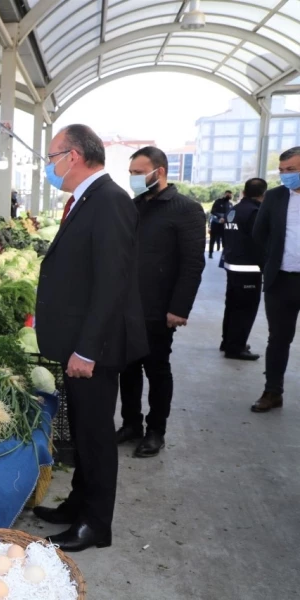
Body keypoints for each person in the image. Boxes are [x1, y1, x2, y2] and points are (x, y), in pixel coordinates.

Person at [31, 124, 148, 552]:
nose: (50, 166)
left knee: (96, 434)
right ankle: (78, 504)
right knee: (81, 430)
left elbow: (112, 283)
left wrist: (87, 348)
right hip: (78, 342)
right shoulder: (86, 200)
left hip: (94, 348)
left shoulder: (110, 201)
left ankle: (96, 525)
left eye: (51, 157)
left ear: (74, 156)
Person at [117, 147, 206, 458]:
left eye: (139, 173)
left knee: (156, 368)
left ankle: (156, 430)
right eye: (131, 173)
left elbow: (193, 263)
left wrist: (179, 308)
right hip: (126, 305)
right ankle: (131, 424)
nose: (134, 179)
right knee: (126, 368)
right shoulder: (134, 206)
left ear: (160, 172)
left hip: (159, 308)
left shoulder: (186, 209)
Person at [250, 147, 300, 413]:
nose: (286, 176)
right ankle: (272, 392)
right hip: (281, 281)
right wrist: (270, 264)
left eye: (291, 170)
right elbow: (260, 235)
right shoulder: (275, 197)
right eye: (282, 171)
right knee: (278, 338)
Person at [221, 179, 268, 361]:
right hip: (248, 268)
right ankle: (236, 347)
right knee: (245, 309)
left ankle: (228, 341)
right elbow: (259, 242)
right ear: (263, 193)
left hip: (232, 265)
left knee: (232, 306)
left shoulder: (235, 209)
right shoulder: (254, 212)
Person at [209, 190, 233, 258]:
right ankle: (210, 253)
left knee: (225, 239)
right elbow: (213, 211)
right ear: (225, 194)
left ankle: (224, 254)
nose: (229, 196)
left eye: (230, 195)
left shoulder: (230, 204)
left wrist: (225, 218)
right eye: (228, 194)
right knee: (212, 239)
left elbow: (231, 214)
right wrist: (220, 217)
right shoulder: (218, 202)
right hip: (216, 223)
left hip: (224, 224)